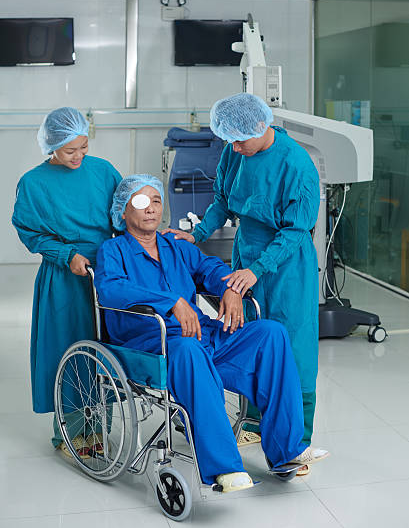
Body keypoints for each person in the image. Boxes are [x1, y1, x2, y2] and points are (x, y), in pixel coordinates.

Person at [94, 174, 329, 491]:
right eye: (140, 202)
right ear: (123, 211)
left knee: (270, 334)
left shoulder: (175, 246)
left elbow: (210, 268)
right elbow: (111, 290)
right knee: (189, 349)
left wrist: (231, 289)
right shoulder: (113, 250)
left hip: (199, 335)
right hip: (151, 343)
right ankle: (224, 468)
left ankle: (287, 451)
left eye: (156, 201)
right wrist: (172, 302)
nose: (150, 208)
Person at [163, 93, 326, 474]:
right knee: (249, 337)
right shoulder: (235, 152)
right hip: (246, 252)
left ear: (260, 125)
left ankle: (297, 440)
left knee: (293, 346)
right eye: (229, 141)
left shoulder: (296, 163)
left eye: (239, 141)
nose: (233, 148)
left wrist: (258, 269)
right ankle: (253, 424)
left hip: (286, 262)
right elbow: (221, 200)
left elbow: (296, 230)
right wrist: (197, 233)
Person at [12, 107, 121, 457]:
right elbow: (31, 234)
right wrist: (65, 254)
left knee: (103, 347)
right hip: (63, 278)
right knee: (67, 349)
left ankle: (99, 426)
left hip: (105, 274)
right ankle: (70, 432)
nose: (79, 156)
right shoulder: (33, 183)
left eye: (84, 147)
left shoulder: (103, 171)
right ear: (51, 146)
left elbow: (122, 218)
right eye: (70, 150)